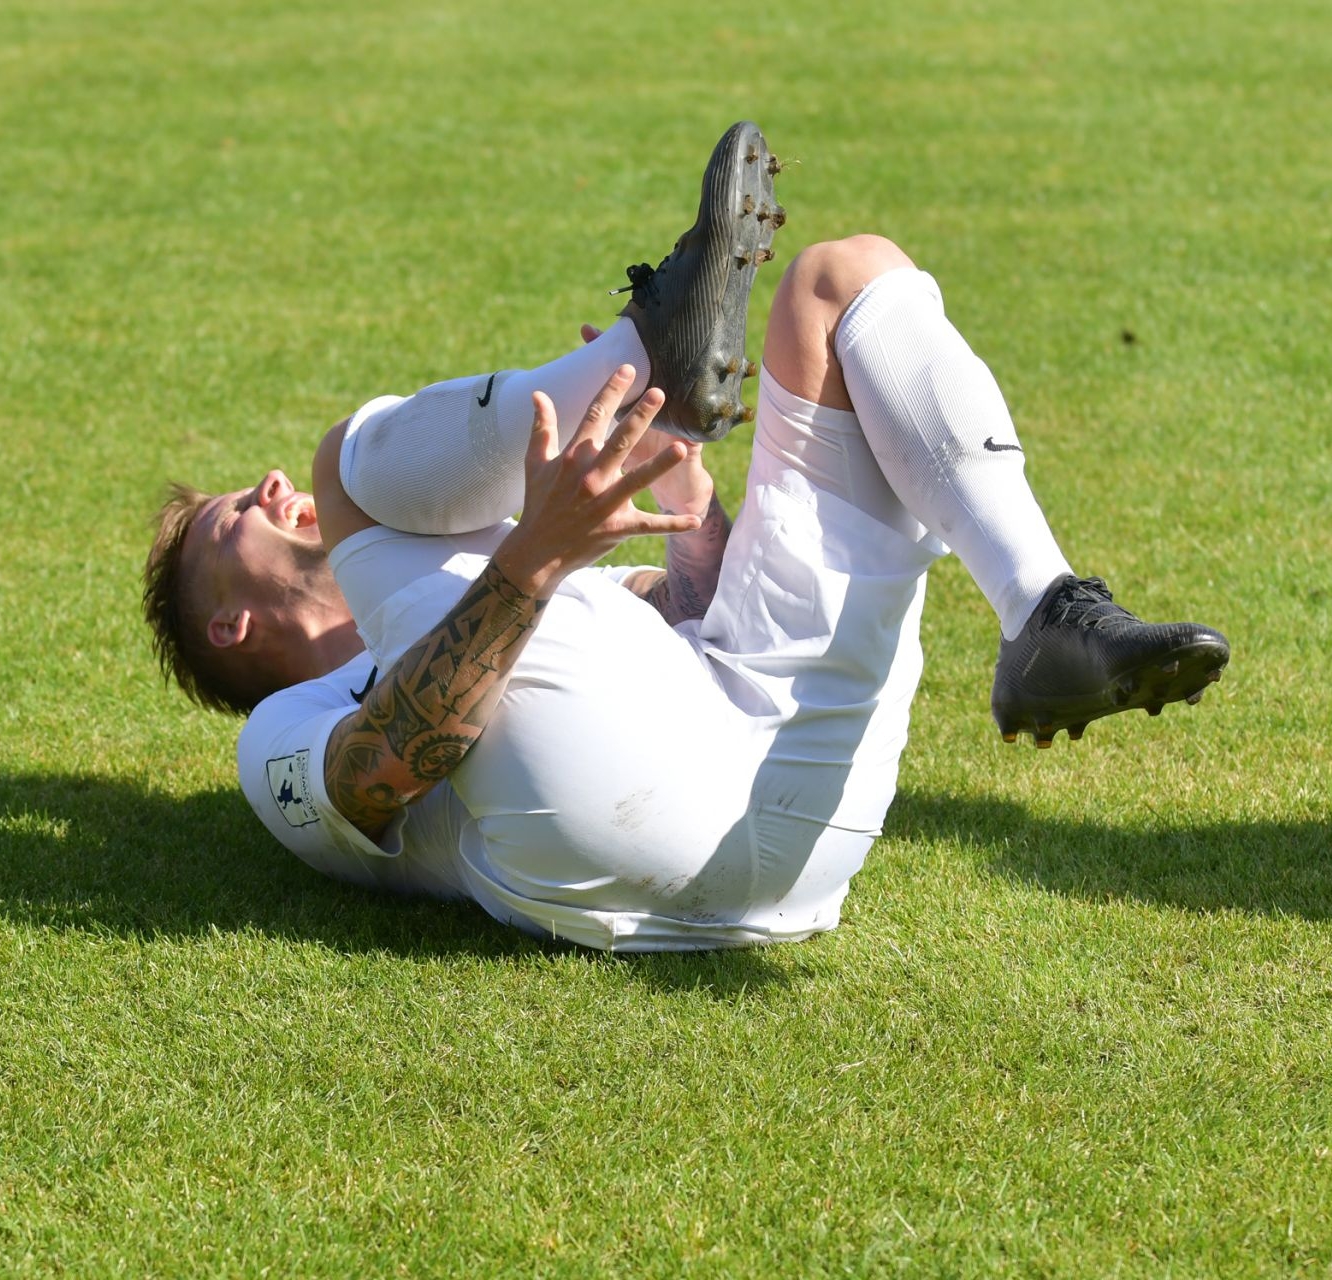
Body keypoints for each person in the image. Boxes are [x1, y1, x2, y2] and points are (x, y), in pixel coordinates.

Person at [141, 123, 1229, 951]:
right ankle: (638, 349)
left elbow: (714, 624)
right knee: (348, 461)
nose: (267, 483)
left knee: (843, 279)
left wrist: (692, 500)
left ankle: (1045, 608)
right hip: (610, 840)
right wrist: (534, 558)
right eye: (231, 516)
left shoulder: (539, 590)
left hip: (811, 816)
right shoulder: (277, 728)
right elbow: (381, 769)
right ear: (231, 625)